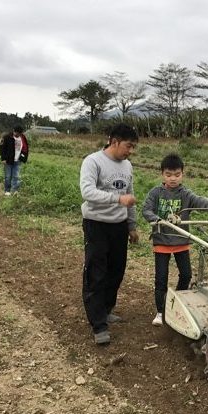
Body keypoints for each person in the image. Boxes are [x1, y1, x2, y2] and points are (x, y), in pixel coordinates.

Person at [142, 153, 208, 326]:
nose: (173, 179)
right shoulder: (156, 193)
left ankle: (176, 302)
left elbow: (198, 200)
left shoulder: (185, 194)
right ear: (162, 174)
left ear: (182, 174)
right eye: (169, 175)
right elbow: (146, 210)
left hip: (181, 241)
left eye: (177, 175)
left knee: (186, 275)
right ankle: (160, 311)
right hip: (162, 242)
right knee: (161, 279)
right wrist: (156, 219)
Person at [80, 124, 139, 345]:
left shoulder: (128, 166)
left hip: (118, 226)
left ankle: (105, 310)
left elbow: (130, 195)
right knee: (97, 272)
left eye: (132, 147)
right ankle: (98, 324)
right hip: (96, 224)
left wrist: (131, 226)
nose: (130, 150)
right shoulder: (93, 161)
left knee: (116, 270)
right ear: (115, 142)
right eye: (128, 145)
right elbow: (87, 191)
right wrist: (116, 199)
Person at [0, 125, 29, 196]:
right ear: (13, 131)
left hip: (17, 160)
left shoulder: (23, 137)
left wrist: (23, 157)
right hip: (8, 160)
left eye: (19, 134)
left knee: (16, 176)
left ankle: (15, 190)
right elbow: (1, 148)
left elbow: (25, 147)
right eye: (16, 133)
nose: (18, 135)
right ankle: (7, 191)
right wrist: (3, 158)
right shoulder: (7, 137)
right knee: (8, 176)